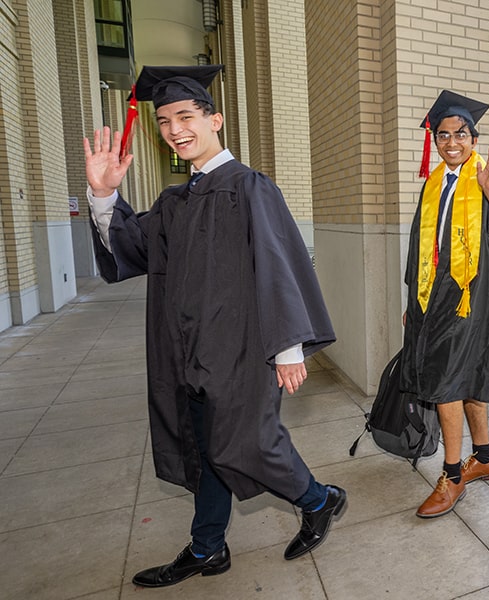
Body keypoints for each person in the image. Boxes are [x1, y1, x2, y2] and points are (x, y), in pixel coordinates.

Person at [82, 65, 345, 588]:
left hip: (243, 348)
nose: (175, 129)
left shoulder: (248, 186)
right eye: (163, 121)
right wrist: (104, 197)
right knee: (203, 452)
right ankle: (207, 548)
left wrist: (289, 346)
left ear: (215, 120)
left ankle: (320, 500)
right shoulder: (175, 201)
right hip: (185, 351)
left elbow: (278, 261)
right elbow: (132, 250)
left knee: (245, 444)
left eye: (185, 115)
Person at [402, 90, 489, 518]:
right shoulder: (432, 186)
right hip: (434, 296)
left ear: (473, 138)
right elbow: (419, 249)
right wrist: (414, 301)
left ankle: (452, 476)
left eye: (459, 134)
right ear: (435, 141)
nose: (451, 142)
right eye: (443, 135)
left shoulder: (487, 176)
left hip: (471, 297)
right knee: (467, 382)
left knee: (448, 383)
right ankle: (483, 457)